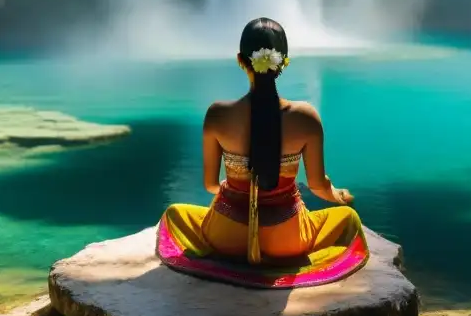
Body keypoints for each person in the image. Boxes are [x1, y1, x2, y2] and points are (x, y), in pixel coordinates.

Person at [156, 17, 369, 288]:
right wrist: (337, 194)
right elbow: (318, 186)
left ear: (240, 60)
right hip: (287, 239)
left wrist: (232, 185)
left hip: (226, 237)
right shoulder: (306, 117)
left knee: (175, 214)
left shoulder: (217, 115)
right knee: (347, 219)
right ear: (284, 61)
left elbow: (210, 185)